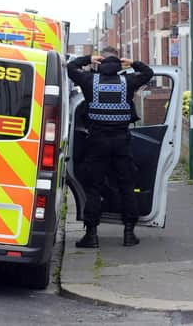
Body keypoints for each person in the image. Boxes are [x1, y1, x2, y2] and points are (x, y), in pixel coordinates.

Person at [67, 46, 153, 248]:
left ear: (100, 63)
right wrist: (132, 63)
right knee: (126, 186)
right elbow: (148, 73)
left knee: (94, 187)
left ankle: (92, 235)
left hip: (97, 142)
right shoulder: (128, 82)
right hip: (121, 142)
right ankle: (129, 234)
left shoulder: (90, 81)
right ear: (118, 65)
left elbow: (70, 67)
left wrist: (88, 58)